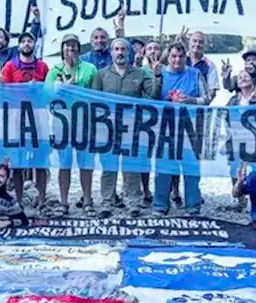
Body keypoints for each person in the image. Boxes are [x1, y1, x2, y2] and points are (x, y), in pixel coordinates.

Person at [91, 37, 155, 215]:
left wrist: (156, 75)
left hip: (132, 127)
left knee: (132, 165)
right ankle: (107, 201)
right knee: (108, 166)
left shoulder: (141, 74)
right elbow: (94, 101)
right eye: (116, 49)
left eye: (123, 49)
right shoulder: (101, 74)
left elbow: (153, 96)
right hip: (108, 128)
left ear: (129, 52)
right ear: (111, 53)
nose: (120, 52)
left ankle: (133, 201)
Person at [46, 34, 98, 213]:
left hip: (84, 122)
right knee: (65, 163)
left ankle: (88, 200)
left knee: (85, 163)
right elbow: (46, 95)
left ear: (79, 48)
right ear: (62, 48)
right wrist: (63, 89)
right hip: (62, 123)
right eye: (67, 46)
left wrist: (77, 90)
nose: (71, 49)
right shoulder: (54, 70)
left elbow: (96, 95)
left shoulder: (90, 68)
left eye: (74, 46)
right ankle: (63, 201)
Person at [154, 42, 206, 216]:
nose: (177, 60)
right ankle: (160, 205)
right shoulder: (160, 75)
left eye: (181, 56)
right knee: (164, 168)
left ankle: (193, 206)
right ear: (168, 58)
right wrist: (166, 99)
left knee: (191, 168)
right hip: (166, 127)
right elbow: (151, 99)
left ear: (186, 57)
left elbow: (206, 99)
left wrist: (190, 100)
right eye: (174, 56)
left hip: (190, 128)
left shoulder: (196, 74)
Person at [1, 31, 49, 206]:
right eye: (24, 42)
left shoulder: (43, 66)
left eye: (30, 41)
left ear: (34, 44)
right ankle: (19, 200)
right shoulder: (9, 66)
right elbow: (3, 92)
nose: (27, 44)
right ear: (19, 45)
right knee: (18, 162)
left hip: (38, 118)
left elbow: (48, 91)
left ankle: (42, 199)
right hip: (16, 119)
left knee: (41, 160)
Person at [185, 31, 220, 105]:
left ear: (205, 45)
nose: (197, 44)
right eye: (194, 41)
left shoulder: (210, 65)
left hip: (199, 107)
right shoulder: (180, 58)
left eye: (200, 42)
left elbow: (212, 92)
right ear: (189, 42)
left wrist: (196, 101)